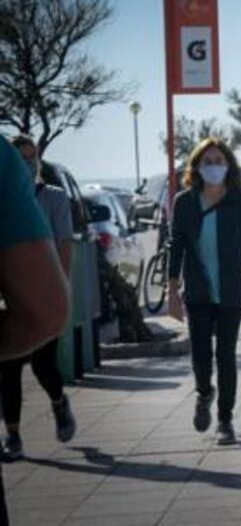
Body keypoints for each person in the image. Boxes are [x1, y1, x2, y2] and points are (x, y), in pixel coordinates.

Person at [167, 137, 241, 445]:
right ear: (197, 167)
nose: (214, 167)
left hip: (231, 291)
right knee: (200, 353)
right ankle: (204, 392)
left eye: (219, 161)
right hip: (197, 291)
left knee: (226, 355)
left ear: (229, 166)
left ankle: (225, 420)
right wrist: (172, 291)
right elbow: (177, 247)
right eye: (207, 162)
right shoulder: (184, 202)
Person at [0, 136, 71, 526]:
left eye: (33, 158)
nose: (27, 163)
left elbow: (66, 247)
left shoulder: (55, 198)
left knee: (44, 367)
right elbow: (46, 313)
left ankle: (58, 402)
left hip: (29, 295)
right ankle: (13, 434)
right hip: (27, 301)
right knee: (10, 371)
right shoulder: (2, 165)